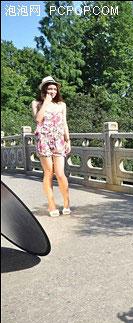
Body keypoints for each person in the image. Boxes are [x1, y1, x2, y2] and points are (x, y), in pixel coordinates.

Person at [32, 76, 71, 217]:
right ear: (44, 89)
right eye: (49, 88)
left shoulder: (61, 105)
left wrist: (68, 140)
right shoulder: (36, 103)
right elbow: (38, 119)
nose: (52, 91)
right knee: (48, 173)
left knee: (60, 173)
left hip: (58, 140)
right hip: (44, 139)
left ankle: (66, 202)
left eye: (54, 88)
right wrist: (46, 102)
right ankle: (51, 205)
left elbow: (64, 123)